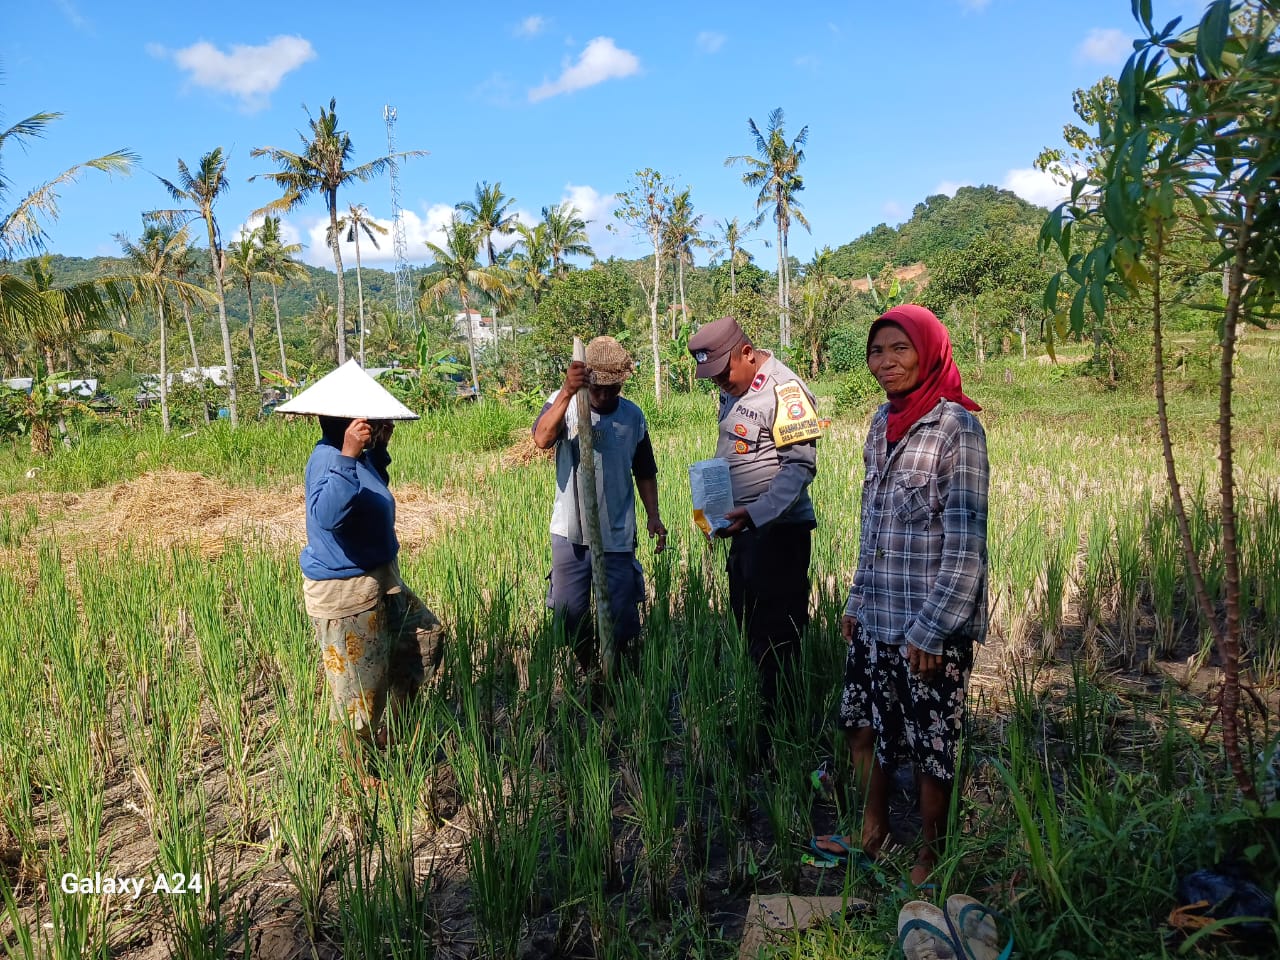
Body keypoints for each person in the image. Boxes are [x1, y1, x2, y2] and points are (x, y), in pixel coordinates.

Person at [813, 304, 988, 888]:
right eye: (876, 352)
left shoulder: (957, 428)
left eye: (899, 350)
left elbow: (966, 543)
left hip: (928, 627)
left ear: (929, 350)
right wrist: (856, 601)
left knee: (931, 745)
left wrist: (935, 629)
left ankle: (932, 854)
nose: (885, 363)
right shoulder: (877, 424)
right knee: (861, 727)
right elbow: (874, 527)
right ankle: (873, 831)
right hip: (877, 614)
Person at [686, 315, 821, 722]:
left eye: (723, 373)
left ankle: (783, 726)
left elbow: (800, 468)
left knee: (778, 635)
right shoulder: (734, 388)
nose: (720, 383)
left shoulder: (787, 391)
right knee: (750, 624)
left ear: (747, 353)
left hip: (779, 534)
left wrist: (757, 514)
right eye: (712, 377)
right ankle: (766, 712)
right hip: (744, 531)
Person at [300, 409, 443, 781]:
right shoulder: (328, 459)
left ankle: (389, 731)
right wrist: (349, 454)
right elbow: (329, 515)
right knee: (356, 701)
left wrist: (376, 451)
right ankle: (360, 780)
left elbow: (370, 494)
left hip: (380, 578)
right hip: (346, 592)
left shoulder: (358, 458)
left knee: (423, 639)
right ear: (347, 425)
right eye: (369, 422)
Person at [532, 336, 667, 676]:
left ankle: (615, 672)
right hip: (571, 532)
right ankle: (590, 669)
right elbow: (541, 439)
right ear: (586, 380)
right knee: (570, 612)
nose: (605, 396)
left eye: (613, 389)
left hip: (617, 532)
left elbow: (645, 470)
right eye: (598, 389)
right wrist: (567, 392)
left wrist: (653, 516)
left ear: (622, 383)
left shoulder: (633, 417)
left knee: (621, 615)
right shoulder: (566, 404)